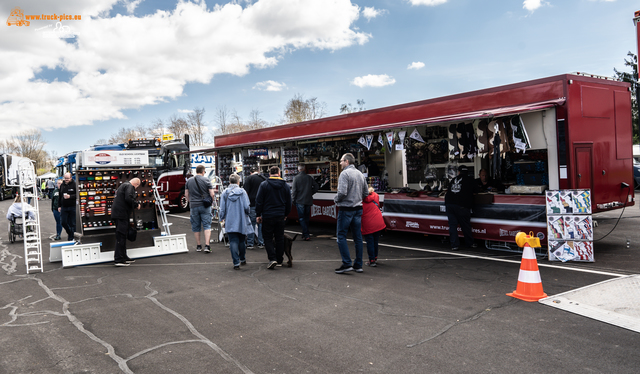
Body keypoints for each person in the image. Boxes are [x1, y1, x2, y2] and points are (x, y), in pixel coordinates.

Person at [334, 153, 369, 274]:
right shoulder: (360, 174)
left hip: (346, 209)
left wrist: (336, 199)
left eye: (341, 161)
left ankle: (346, 263)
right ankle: (358, 265)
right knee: (357, 237)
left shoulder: (344, 174)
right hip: (358, 208)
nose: (340, 163)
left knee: (341, 236)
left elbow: (342, 192)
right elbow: (366, 193)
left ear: (347, 162)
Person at [255, 166, 291, 269]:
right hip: (280, 215)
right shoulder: (285, 186)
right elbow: (289, 202)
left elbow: (259, 201)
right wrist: (286, 214)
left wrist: (258, 214)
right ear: (279, 174)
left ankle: (272, 258)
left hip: (267, 215)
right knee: (279, 237)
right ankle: (279, 259)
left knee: (268, 238)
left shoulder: (264, 185)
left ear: (269, 174)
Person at [219, 173, 252, 270]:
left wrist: (222, 218)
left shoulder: (225, 192)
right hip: (241, 219)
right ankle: (242, 258)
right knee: (242, 240)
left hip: (230, 219)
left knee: (233, 241)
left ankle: (236, 263)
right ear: (238, 181)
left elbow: (222, 209)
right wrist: (247, 213)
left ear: (229, 182)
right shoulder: (243, 192)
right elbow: (247, 206)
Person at [444, 165, 477, 250]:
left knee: (452, 225)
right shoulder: (470, 180)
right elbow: (476, 191)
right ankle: (469, 243)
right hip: (462, 205)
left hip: (449, 204)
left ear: (458, 172)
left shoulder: (453, 180)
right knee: (465, 225)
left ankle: (454, 245)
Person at [185, 165, 215, 253]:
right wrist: (211, 202)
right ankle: (207, 245)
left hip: (193, 206)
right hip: (205, 206)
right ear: (203, 171)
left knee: (196, 226)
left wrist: (190, 201)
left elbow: (186, 194)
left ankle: (198, 246)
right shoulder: (206, 180)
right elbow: (212, 194)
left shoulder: (189, 181)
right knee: (207, 225)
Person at [111, 177, 141, 267]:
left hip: (119, 214)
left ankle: (123, 256)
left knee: (122, 235)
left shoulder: (123, 185)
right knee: (121, 236)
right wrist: (136, 204)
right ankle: (119, 259)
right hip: (121, 215)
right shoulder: (130, 187)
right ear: (136, 185)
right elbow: (128, 198)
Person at [291, 164, 319, 241]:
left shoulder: (296, 178)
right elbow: (316, 186)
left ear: (298, 169)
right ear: (304, 169)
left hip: (299, 200)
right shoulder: (309, 178)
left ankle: (306, 234)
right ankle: (304, 234)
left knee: (301, 218)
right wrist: (311, 193)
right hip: (308, 200)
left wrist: (293, 200)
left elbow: (294, 191)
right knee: (306, 218)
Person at [362, 187, 385, 267]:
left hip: (368, 223)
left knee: (370, 242)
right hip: (378, 221)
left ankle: (371, 260)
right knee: (375, 241)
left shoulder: (360, 200)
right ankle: (375, 257)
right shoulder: (375, 195)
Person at [243, 167, 267, 249]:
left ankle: (250, 243)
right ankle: (261, 242)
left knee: (251, 224)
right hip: (263, 204)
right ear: (258, 171)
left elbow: (245, 192)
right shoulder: (264, 178)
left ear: (250, 172)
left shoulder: (249, 179)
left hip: (252, 203)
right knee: (261, 224)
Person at [58, 173, 77, 242]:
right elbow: (60, 196)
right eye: (65, 178)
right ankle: (70, 233)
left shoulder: (74, 184)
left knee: (73, 223)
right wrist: (59, 206)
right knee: (63, 222)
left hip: (72, 206)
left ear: (71, 178)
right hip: (64, 207)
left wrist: (70, 196)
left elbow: (78, 195)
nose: (66, 180)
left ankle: (72, 237)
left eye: (67, 178)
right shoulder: (62, 185)